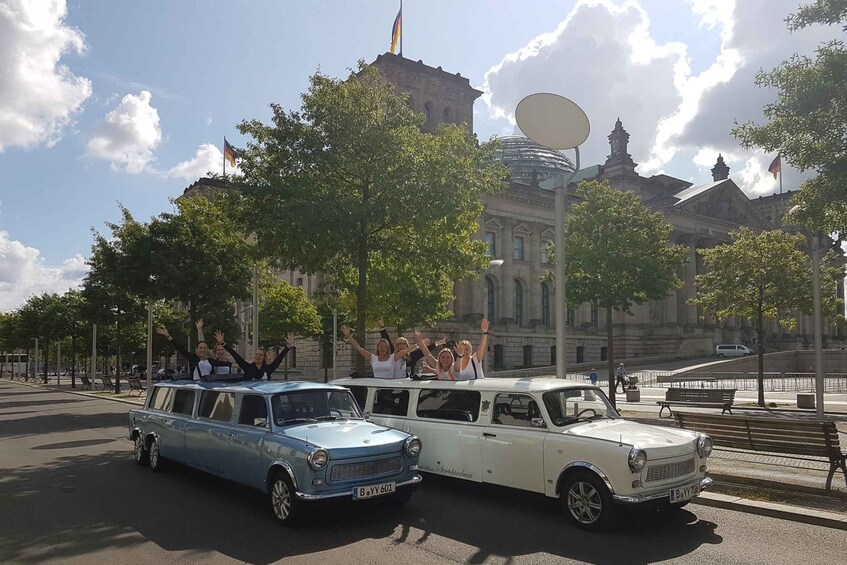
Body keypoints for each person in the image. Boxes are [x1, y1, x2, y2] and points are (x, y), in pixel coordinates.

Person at [155, 327, 231, 381]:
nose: (202, 350)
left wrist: (240, 365)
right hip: (197, 386)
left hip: (209, 387)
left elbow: (227, 364)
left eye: (204, 348)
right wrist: (168, 336)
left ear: (207, 349)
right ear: (197, 350)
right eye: (200, 348)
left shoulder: (210, 360)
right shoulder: (193, 358)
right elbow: (179, 348)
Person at [215, 330, 294, 380]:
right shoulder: (248, 367)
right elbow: (236, 355)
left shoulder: (268, 369)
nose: (257, 356)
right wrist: (223, 344)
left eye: (260, 355)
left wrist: (288, 347)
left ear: (264, 358)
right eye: (256, 354)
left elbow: (278, 359)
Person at [342, 325, 407, 378]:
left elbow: (406, 350)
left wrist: (417, 345)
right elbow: (359, 348)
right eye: (381, 346)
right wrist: (349, 335)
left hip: (389, 388)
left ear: (388, 349)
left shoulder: (392, 357)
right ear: (378, 348)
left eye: (385, 347)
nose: (383, 348)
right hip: (376, 387)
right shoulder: (373, 358)